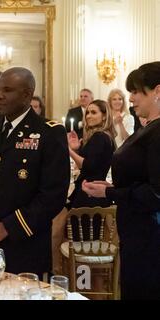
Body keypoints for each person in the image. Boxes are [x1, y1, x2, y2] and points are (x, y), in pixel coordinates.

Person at [0, 67, 70, 276]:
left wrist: (7, 228)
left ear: (26, 94)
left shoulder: (49, 132)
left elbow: (53, 195)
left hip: (25, 244)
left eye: (7, 90)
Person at [82, 62, 160, 300]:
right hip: (136, 231)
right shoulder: (148, 129)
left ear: (157, 91)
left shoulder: (157, 132)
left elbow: (156, 194)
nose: (131, 98)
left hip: (149, 236)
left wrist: (110, 194)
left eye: (136, 91)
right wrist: (113, 188)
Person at [67, 100, 116, 208]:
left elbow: (87, 166)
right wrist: (76, 150)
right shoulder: (103, 136)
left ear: (104, 116)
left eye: (93, 112)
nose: (88, 116)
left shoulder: (99, 136)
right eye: (87, 112)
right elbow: (90, 163)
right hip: (92, 189)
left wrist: (69, 151)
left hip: (89, 192)